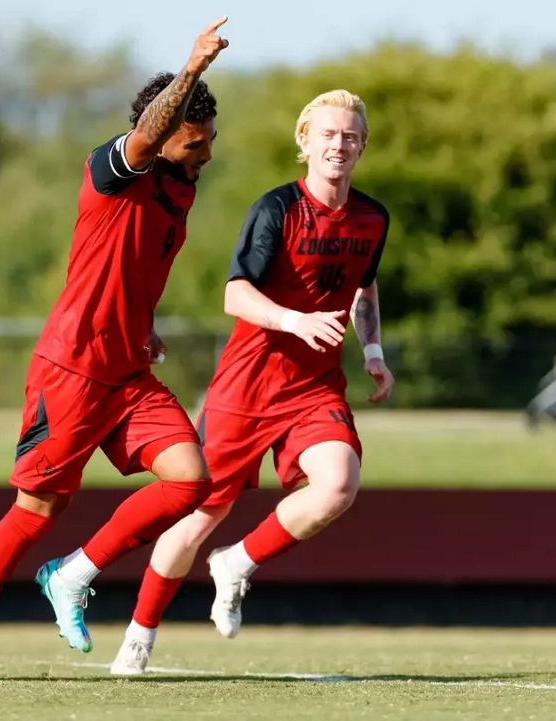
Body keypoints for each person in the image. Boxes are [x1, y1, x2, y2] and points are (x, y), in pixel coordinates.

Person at [0, 18, 230, 684]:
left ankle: (73, 573)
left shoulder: (182, 188)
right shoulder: (113, 170)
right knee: (34, 513)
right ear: (164, 130)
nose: (205, 152)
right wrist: (191, 70)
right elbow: (148, 135)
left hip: (128, 370)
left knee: (190, 480)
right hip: (72, 370)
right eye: (195, 140)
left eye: (209, 141)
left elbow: (132, 267)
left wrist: (143, 322)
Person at [108, 89, 395, 675]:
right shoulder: (278, 209)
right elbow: (235, 293)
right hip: (248, 385)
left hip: (314, 387)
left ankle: (238, 562)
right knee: (199, 515)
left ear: (362, 146)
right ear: (305, 141)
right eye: (328, 135)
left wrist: (372, 350)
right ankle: (139, 634)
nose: (338, 145)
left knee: (339, 484)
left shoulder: (372, 217)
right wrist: (295, 319)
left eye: (350, 137)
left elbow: (365, 288)